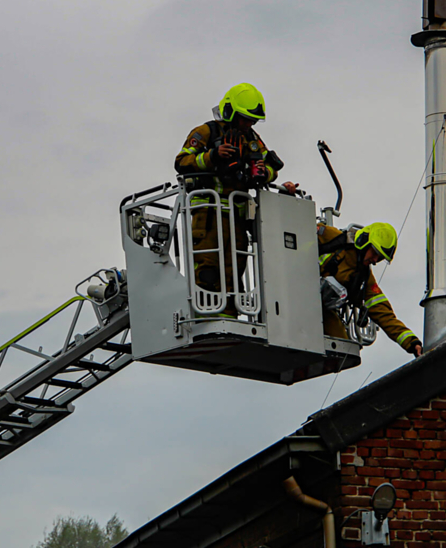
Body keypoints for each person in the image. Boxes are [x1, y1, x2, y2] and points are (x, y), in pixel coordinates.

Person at [174, 83, 297, 316]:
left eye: (252, 120)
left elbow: (271, 168)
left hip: (237, 215)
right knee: (208, 267)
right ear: (230, 111)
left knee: (234, 268)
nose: (248, 124)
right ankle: (204, 318)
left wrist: (264, 172)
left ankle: (228, 317)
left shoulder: (252, 138)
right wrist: (212, 156)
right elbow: (181, 162)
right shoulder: (206, 132)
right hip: (208, 214)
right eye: (244, 118)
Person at [317, 221, 422, 355]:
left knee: (342, 350)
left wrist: (411, 342)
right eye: (375, 253)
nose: (375, 260)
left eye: (379, 258)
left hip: (319, 308)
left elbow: (383, 312)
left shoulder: (363, 277)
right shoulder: (331, 237)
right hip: (293, 290)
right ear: (364, 241)